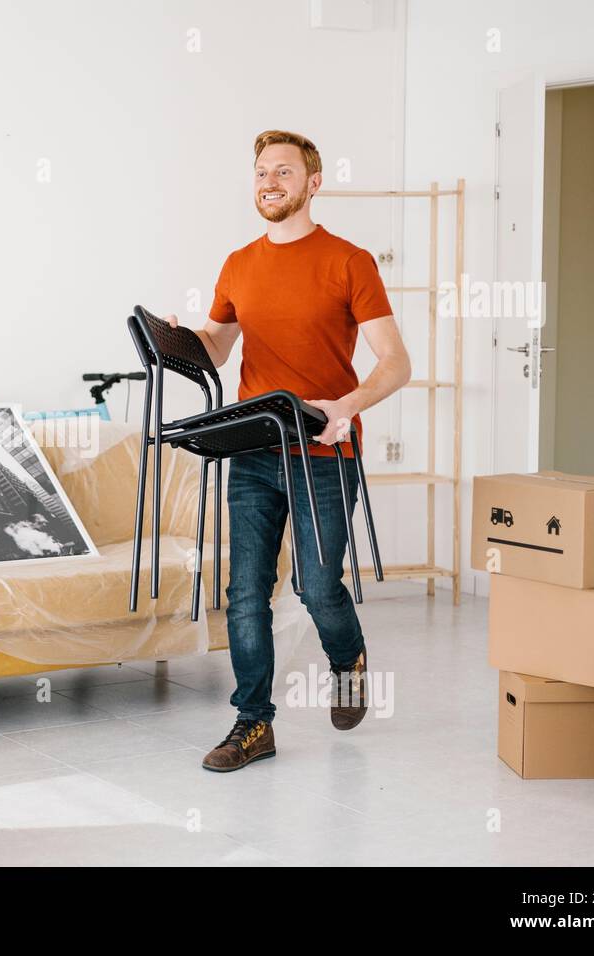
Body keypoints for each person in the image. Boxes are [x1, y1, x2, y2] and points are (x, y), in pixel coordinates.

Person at [164, 130, 411, 772]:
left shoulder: (349, 261)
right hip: (252, 449)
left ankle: (347, 658)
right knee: (245, 593)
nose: (269, 181)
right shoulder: (238, 263)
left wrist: (347, 407)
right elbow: (218, 345)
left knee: (316, 584)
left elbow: (396, 362)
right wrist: (178, 341)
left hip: (323, 451)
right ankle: (253, 725)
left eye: (283, 171)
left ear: (312, 182)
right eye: (260, 173)